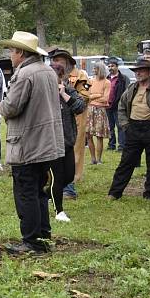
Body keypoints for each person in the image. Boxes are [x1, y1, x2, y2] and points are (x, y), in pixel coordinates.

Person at [0, 31, 64, 255]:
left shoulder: (25, 74)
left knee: (26, 192)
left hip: (27, 144)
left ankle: (31, 241)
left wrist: (0, 107)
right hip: (46, 143)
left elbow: (13, 107)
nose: (10, 56)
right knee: (39, 190)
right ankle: (42, 234)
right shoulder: (47, 71)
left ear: (21, 53)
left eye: (12, 51)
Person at [107, 59, 150, 201]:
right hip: (133, 129)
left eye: (141, 70)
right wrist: (126, 126)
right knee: (126, 163)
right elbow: (121, 107)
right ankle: (114, 193)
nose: (137, 72)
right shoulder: (132, 88)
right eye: (136, 70)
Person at [48, 49, 90, 200]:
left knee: (74, 153)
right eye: (55, 60)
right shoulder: (48, 78)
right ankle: (52, 187)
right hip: (53, 126)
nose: (57, 62)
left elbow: (84, 99)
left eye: (60, 60)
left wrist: (66, 93)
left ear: (67, 62)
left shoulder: (80, 76)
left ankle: (69, 186)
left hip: (75, 120)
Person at [86, 61, 110, 165]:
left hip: (100, 111)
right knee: (89, 135)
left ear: (99, 70)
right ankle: (93, 159)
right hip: (89, 110)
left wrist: (93, 96)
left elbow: (105, 99)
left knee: (99, 136)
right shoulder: (90, 81)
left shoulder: (107, 82)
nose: (93, 70)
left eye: (95, 68)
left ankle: (99, 159)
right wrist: (97, 95)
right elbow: (87, 96)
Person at [106, 58, 129, 151]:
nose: (110, 68)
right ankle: (111, 145)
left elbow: (127, 92)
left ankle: (121, 146)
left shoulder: (123, 78)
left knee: (120, 126)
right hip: (107, 106)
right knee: (110, 127)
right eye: (109, 66)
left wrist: (123, 104)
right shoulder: (106, 78)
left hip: (119, 107)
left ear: (117, 67)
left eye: (112, 66)